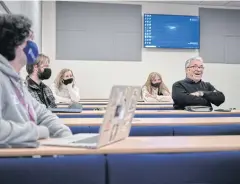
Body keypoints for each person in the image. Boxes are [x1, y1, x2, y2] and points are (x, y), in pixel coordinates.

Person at [0, 14, 72, 144]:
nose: (33, 45)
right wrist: (38, 132)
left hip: (28, 154)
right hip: (12, 161)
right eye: (28, 40)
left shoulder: (16, 81)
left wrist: (65, 134)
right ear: (15, 44)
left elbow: (41, 112)